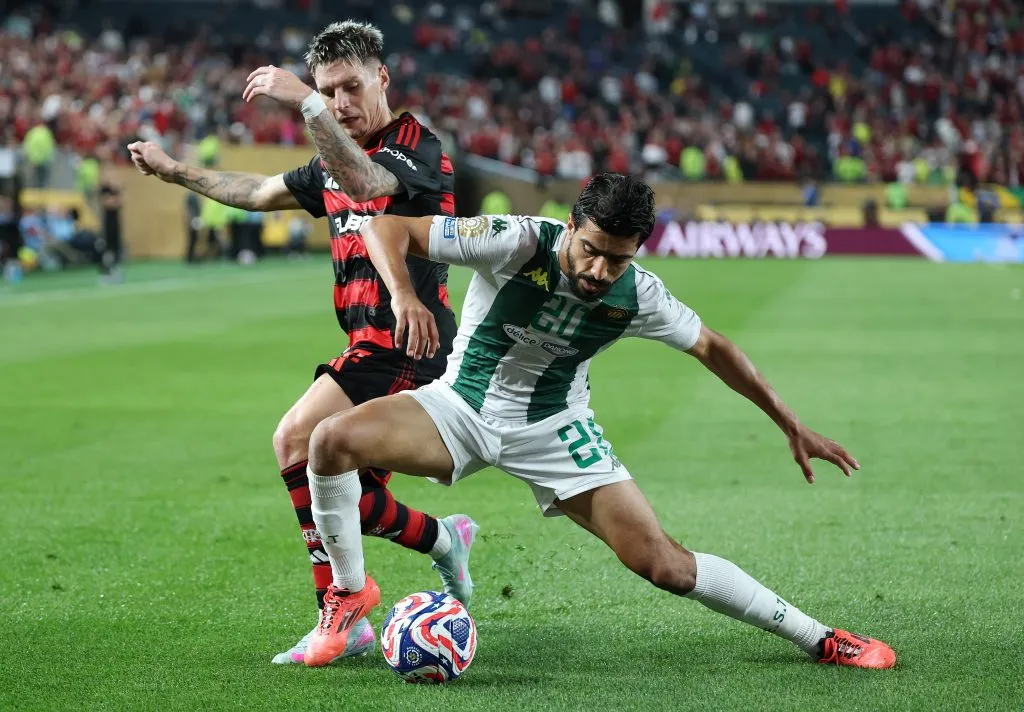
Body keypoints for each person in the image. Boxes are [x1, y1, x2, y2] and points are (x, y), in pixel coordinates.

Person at [299, 173, 897, 670]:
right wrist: (404, 295)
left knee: (663, 565)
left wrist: (790, 423)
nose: (601, 270)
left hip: (555, 430)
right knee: (329, 441)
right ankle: (349, 593)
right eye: (592, 249)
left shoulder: (639, 294)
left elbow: (714, 347)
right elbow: (387, 226)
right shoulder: (515, 240)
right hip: (459, 410)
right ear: (572, 227)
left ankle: (822, 639)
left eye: (619, 258)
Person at [126, 20, 476, 665]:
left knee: (296, 441)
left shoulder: (416, 146)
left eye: (350, 87)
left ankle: (346, 607)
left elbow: (368, 184)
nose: (340, 102)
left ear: (382, 79)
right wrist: (176, 172)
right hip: (369, 344)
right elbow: (257, 192)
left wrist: (305, 103)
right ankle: (441, 540)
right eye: (328, 90)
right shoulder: (329, 160)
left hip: (409, 342)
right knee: (346, 496)